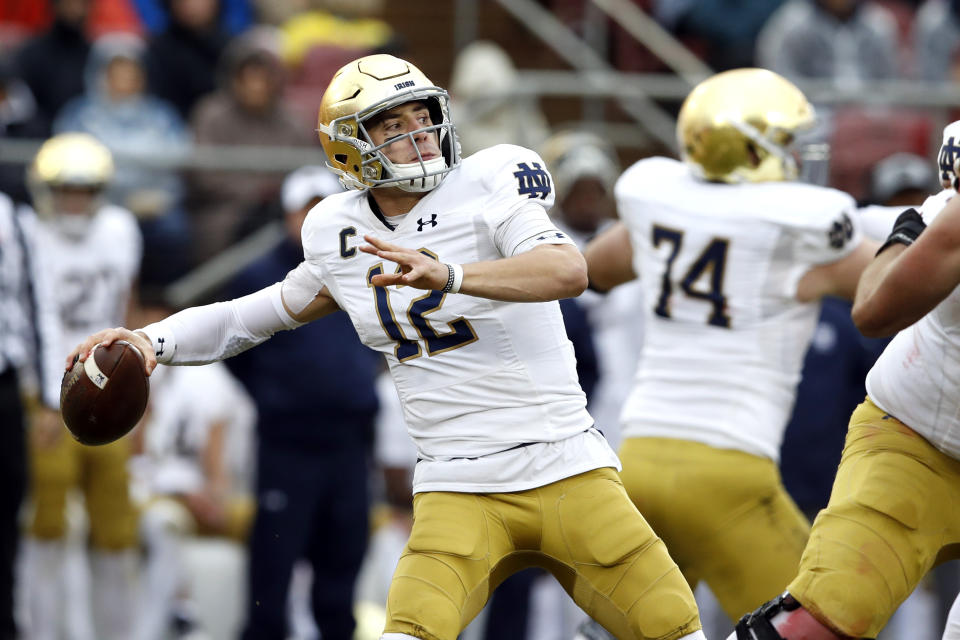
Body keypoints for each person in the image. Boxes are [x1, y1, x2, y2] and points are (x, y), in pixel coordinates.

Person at [65, 53, 707, 640]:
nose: (418, 133)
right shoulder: (337, 229)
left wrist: (451, 275)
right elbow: (255, 314)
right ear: (351, 148)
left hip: (566, 467)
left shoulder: (490, 180)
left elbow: (567, 270)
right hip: (456, 486)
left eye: (422, 117)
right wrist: (149, 339)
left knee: (676, 629)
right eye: (392, 124)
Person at [581, 68, 876, 631]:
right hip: (729, 474)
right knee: (825, 624)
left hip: (639, 457)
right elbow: (901, 284)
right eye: (786, 142)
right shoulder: (793, 232)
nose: (796, 155)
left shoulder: (660, 205)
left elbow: (593, 268)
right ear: (749, 148)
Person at [730, 119, 960, 640]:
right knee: (819, 621)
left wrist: (903, 238)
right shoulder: (950, 221)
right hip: (917, 440)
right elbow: (874, 311)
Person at [225, 165, 381, 640]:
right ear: (288, 215)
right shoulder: (258, 275)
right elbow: (234, 350)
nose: (313, 219)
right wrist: (277, 396)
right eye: (304, 210)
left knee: (341, 571)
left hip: (351, 443)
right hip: (288, 443)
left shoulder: (363, 268)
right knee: (272, 572)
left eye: (322, 208)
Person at [23, 133, 142, 640]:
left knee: (115, 530)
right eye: (65, 189)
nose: (75, 200)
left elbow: (128, 305)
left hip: (109, 389)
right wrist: (45, 398)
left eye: (84, 189)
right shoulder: (26, 231)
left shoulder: (119, 229)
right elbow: (26, 315)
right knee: (47, 525)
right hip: (47, 394)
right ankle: (43, 631)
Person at [130, 293, 256, 640]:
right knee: (163, 521)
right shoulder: (136, 375)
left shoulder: (205, 377)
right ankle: (169, 620)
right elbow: (133, 454)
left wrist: (213, 492)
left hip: (199, 489)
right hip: (153, 489)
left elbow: (218, 462)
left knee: (278, 522)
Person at [0, 191, 60, 640]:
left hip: (4, 381)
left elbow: (36, 302)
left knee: (7, 514)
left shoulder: (11, 217)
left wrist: (46, 398)